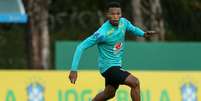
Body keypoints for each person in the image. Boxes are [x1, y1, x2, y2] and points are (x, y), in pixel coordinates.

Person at [68, 2, 156, 101]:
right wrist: (73, 69)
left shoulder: (124, 22)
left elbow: (132, 29)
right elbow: (81, 47)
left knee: (109, 93)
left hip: (116, 65)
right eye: (113, 14)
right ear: (107, 15)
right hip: (108, 67)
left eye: (118, 14)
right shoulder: (102, 33)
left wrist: (143, 34)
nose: (115, 16)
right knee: (135, 82)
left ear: (121, 14)